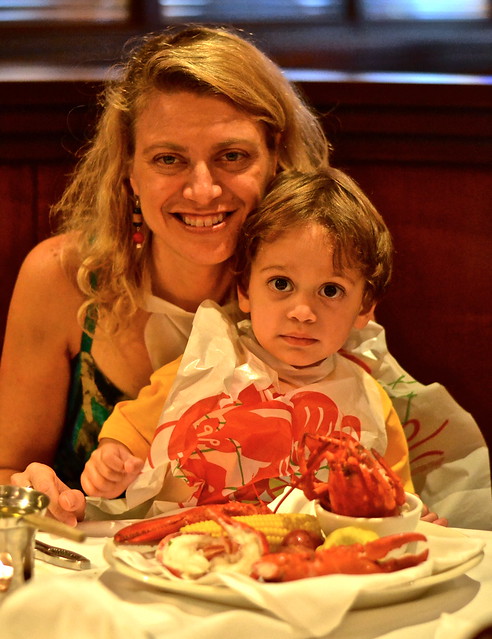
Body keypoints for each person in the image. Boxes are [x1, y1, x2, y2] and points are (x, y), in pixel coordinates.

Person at [0, 26, 486, 527]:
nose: (203, 190)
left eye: (232, 156)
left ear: (274, 158)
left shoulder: (318, 294)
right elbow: (5, 470)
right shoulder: (63, 279)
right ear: (130, 172)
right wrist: (28, 491)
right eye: (169, 159)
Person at [81, 168, 415, 511]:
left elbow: (395, 497)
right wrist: (112, 462)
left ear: (364, 307)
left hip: (315, 559)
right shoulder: (205, 365)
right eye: (281, 284)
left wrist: (414, 516)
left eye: (331, 290)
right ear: (244, 290)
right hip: (186, 549)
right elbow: (132, 432)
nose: (302, 312)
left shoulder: (370, 400)